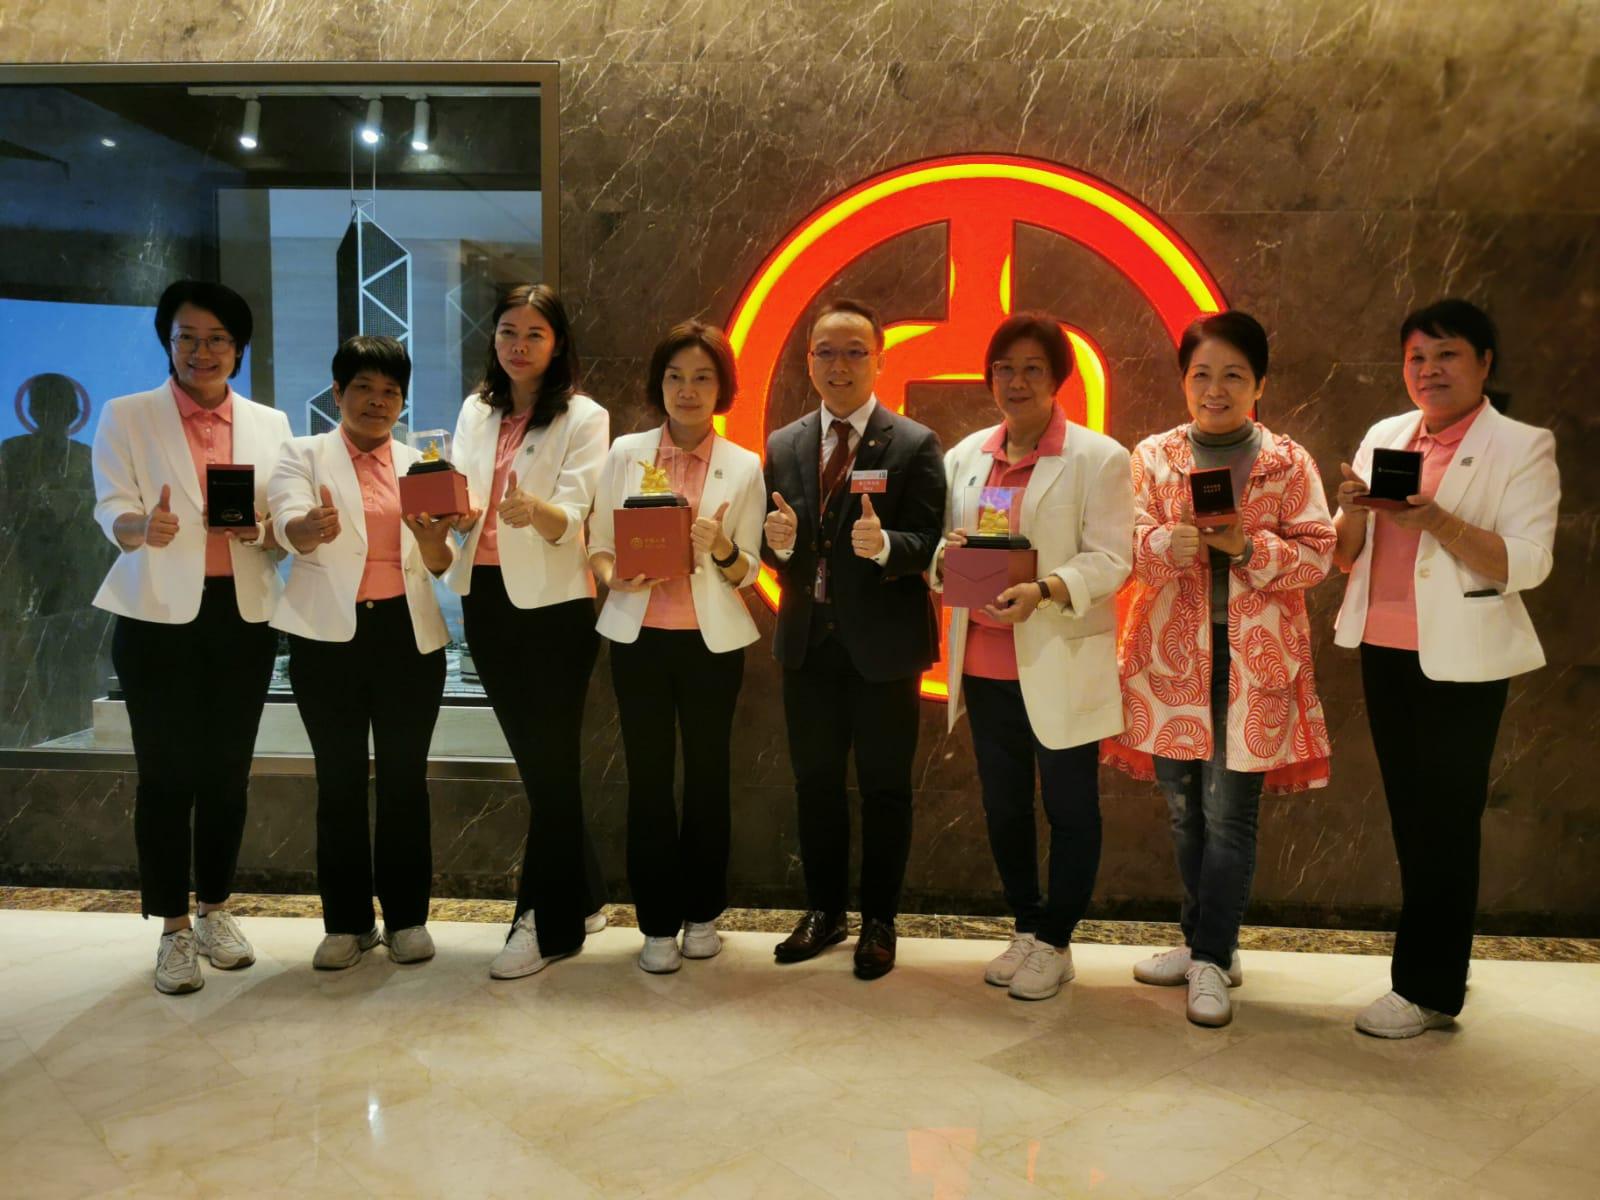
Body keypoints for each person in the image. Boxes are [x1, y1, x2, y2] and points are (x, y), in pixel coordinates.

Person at [1333, 299, 1559, 1039]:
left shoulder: (1522, 446)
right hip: (1384, 645)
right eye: (1417, 358)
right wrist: (1352, 510)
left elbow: (1529, 562)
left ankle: (1425, 988)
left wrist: (1434, 518)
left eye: (1447, 354)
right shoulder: (1385, 434)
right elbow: (1345, 555)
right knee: (1412, 815)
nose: (1429, 370)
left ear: (1485, 363)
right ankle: (1442, 961)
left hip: (1463, 657)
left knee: (1447, 821)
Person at [1104, 310, 1334, 1028]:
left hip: (1255, 662)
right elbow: (1120, 541)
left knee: (1230, 815)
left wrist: (1247, 547)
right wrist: (1164, 545)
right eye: (1201, 374)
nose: (1215, 389)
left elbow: (1318, 554)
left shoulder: (1288, 462)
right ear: (1184, 381)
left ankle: (1210, 955)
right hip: (1169, 661)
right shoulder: (1154, 455)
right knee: (1183, 811)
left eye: (1234, 374)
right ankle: (1208, 941)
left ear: (1258, 384)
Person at [91, 280, 292, 994]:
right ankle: (173, 927)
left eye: (216, 340)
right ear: (167, 342)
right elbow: (110, 504)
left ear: (238, 349)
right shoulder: (128, 414)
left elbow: (282, 521)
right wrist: (139, 526)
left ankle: (215, 909)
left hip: (242, 617)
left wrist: (263, 531)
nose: (200, 352)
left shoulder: (270, 423)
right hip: (156, 620)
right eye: (187, 338)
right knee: (166, 775)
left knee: (228, 774)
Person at [930, 313, 1132, 1001]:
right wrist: (946, 560)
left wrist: (1044, 589)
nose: (1016, 382)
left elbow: (1112, 558)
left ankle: (1056, 940)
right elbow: (941, 549)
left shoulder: (1098, 457)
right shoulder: (966, 457)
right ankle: (1025, 924)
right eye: (1005, 369)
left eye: (1032, 369)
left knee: (1071, 808)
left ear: (1058, 379)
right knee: (1005, 806)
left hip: (1058, 659)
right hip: (984, 665)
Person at [762, 299, 946, 980]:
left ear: (878, 360)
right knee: (815, 784)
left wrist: (887, 545)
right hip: (808, 644)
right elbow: (773, 541)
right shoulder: (783, 445)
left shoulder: (913, 443)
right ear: (808, 361)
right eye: (825, 352)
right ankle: (824, 911)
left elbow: (931, 542)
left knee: (885, 788)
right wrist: (776, 544)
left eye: (853, 352)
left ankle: (879, 920)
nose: (838, 365)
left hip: (884, 649)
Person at [270, 335, 464, 971]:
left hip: (409, 638)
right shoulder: (302, 454)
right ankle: (347, 922)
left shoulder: (423, 464)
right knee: (340, 780)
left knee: (405, 780)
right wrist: (305, 529)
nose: (377, 402)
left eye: (390, 392)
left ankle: (407, 917)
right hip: (327, 639)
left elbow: (441, 563)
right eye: (363, 388)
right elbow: (287, 522)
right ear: (338, 393)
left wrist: (433, 541)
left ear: (402, 401)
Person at [444, 284, 611, 980]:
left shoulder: (584, 416)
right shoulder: (475, 410)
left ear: (558, 343)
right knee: (543, 765)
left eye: (534, 334)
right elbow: (460, 493)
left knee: (550, 763)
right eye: (508, 331)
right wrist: (449, 511)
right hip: (485, 599)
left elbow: (573, 512)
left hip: (554, 606)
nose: (518, 345)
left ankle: (544, 924)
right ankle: (587, 895)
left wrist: (534, 509)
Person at [589, 322, 764, 974]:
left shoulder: (743, 465)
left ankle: (703, 914)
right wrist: (613, 576)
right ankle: (657, 922)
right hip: (639, 640)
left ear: (722, 388)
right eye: (675, 377)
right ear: (658, 383)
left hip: (711, 645)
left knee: (709, 780)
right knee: (649, 782)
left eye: (702, 378)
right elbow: (599, 544)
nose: (687, 390)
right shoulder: (625, 453)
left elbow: (748, 571)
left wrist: (721, 547)